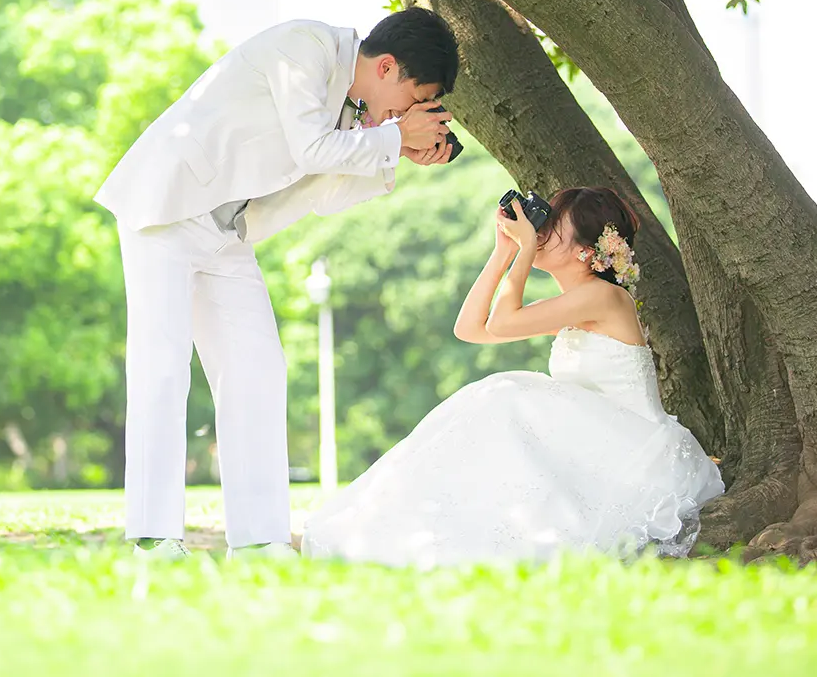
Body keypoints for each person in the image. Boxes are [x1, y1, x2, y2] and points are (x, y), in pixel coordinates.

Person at [95, 9, 462, 559]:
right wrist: (389, 136)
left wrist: (398, 152)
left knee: (259, 369)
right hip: (168, 206)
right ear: (388, 67)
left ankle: (261, 540)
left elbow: (325, 193)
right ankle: (153, 536)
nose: (414, 114)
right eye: (417, 100)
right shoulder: (306, 46)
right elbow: (310, 150)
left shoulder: (353, 113)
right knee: (162, 366)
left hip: (228, 232)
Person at [300, 186, 723, 567]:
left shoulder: (603, 296)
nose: (539, 233)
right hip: (594, 444)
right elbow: (470, 329)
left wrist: (522, 253)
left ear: (584, 250)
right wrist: (502, 251)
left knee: (506, 393)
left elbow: (501, 322)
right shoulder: (576, 303)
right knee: (499, 396)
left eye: (553, 227)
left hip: (635, 453)